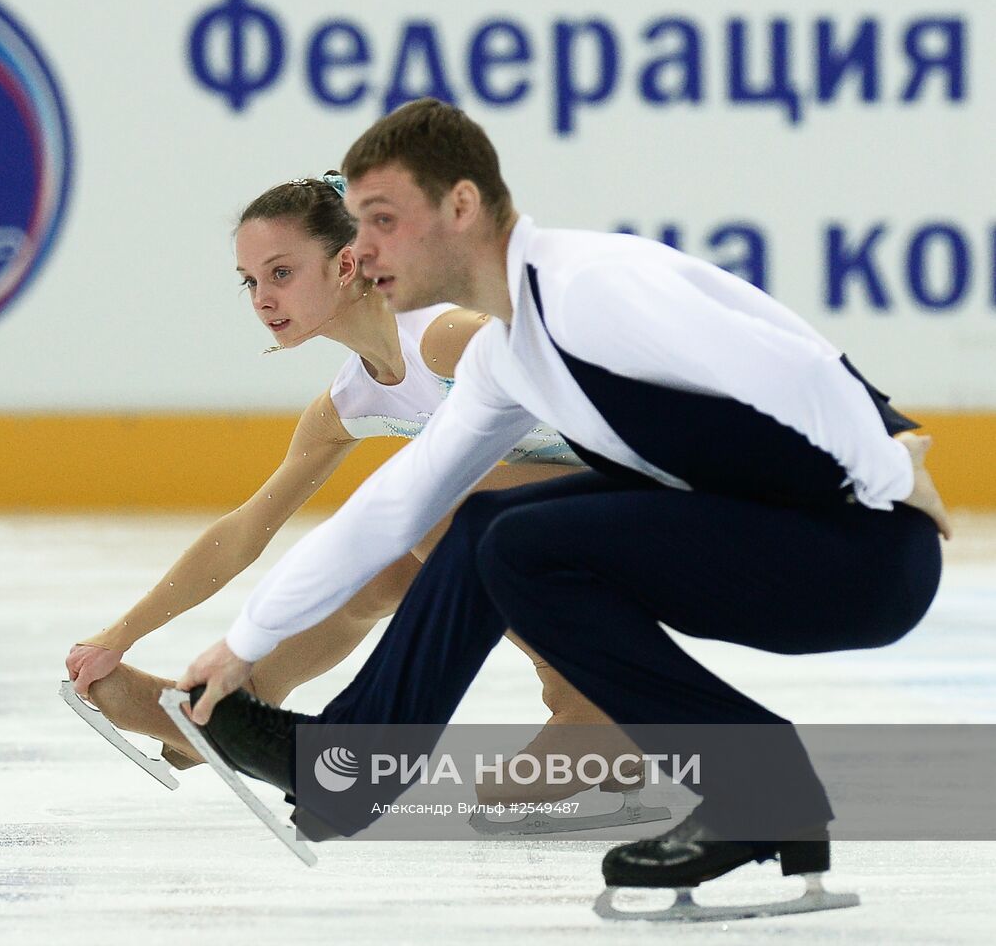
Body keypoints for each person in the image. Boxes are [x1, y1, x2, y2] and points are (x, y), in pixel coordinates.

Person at [176, 100, 949, 907]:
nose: (361, 252)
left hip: (860, 549)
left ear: (461, 208)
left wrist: (885, 476)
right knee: (484, 527)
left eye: (380, 221)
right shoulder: (511, 351)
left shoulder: (590, 290)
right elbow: (396, 504)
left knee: (520, 546)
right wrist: (242, 646)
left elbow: (794, 363)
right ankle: (352, 765)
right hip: (787, 534)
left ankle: (756, 781)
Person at [66, 172, 616, 803]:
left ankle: (590, 704)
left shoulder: (445, 336)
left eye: (280, 273)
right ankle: (233, 710)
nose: (261, 299)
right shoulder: (350, 400)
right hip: (576, 524)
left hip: (667, 495)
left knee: (433, 506)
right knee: (381, 559)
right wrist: (121, 634)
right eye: (250, 281)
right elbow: (243, 532)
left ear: (347, 262)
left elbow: (603, 389)